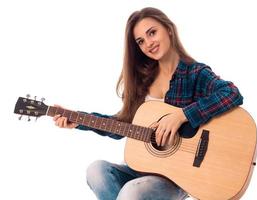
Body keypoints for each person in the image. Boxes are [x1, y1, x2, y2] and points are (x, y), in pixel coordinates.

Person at [53, 7, 243, 200]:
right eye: (141, 41)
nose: (148, 43)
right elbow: (123, 125)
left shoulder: (195, 73)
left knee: (131, 192)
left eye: (152, 32)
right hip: (142, 169)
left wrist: (181, 115)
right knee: (96, 171)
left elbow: (231, 93)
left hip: (176, 177)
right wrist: (78, 120)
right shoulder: (142, 81)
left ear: (168, 29)